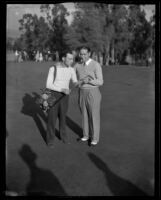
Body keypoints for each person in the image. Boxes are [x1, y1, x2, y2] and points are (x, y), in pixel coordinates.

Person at [45, 51, 79, 147]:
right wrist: (62, 89)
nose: (71, 61)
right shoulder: (53, 68)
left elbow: (75, 81)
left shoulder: (72, 70)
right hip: (52, 95)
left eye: (72, 59)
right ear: (63, 58)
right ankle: (50, 140)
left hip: (65, 97)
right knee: (52, 119)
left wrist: (79, 83)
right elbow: (48, 85)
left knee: (63, 118)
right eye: (69, 59)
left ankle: (63, 137)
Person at [74, 46, 103, 146]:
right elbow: (72, 77)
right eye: (81, 54)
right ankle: (86, 135)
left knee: (93, 116)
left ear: (89, 54)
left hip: (93, 92)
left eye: (85, 54)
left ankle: (94, 138)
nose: (82, 56)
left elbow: (100, 81)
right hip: (82, 92)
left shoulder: (95, 65)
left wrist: (90, 81)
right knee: (84, 115)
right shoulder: (77, 65)